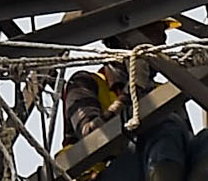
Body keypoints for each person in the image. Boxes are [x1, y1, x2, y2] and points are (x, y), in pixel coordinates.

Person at [57, 56, 192, 181]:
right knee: (162, 120)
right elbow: (91, 136)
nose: (163, 39)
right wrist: (131, 93)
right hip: (105, 173)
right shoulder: (86, 82)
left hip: (154, 168)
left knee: (205, 139)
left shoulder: (166, 92)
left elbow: (187, 145)